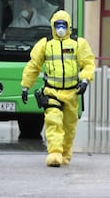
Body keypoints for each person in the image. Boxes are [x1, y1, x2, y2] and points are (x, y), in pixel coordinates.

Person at [20, 10, 95, 167]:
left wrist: (85, 80)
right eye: (57, 25)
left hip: (72, 92)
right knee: (53, 121)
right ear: (52, 26)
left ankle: (65, 153)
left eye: (63, 25)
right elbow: (33, 65)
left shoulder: (78, 44)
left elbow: (88, 63)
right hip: (51, 91)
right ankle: (54, 153)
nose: (60, 28)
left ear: (69, 26)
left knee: (69, 126)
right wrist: (26, 86)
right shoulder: (45, 44)